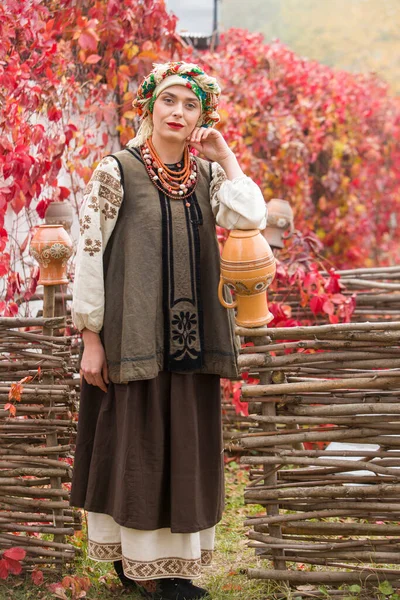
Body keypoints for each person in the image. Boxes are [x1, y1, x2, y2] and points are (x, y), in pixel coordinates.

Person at [70, 61, 267, 600]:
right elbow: (88, 254)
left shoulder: (208, 176)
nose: (178, 112)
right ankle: (133, 564)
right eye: (169, 101)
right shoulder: (116, 171)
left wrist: (224, 156)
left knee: (182, 446)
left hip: (195, 340)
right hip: (132, 337)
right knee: (135, 446)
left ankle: (173, 571)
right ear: (149, 105)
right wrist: (90, 335)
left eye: (191, 104)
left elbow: (250, 218)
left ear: (204, 115)